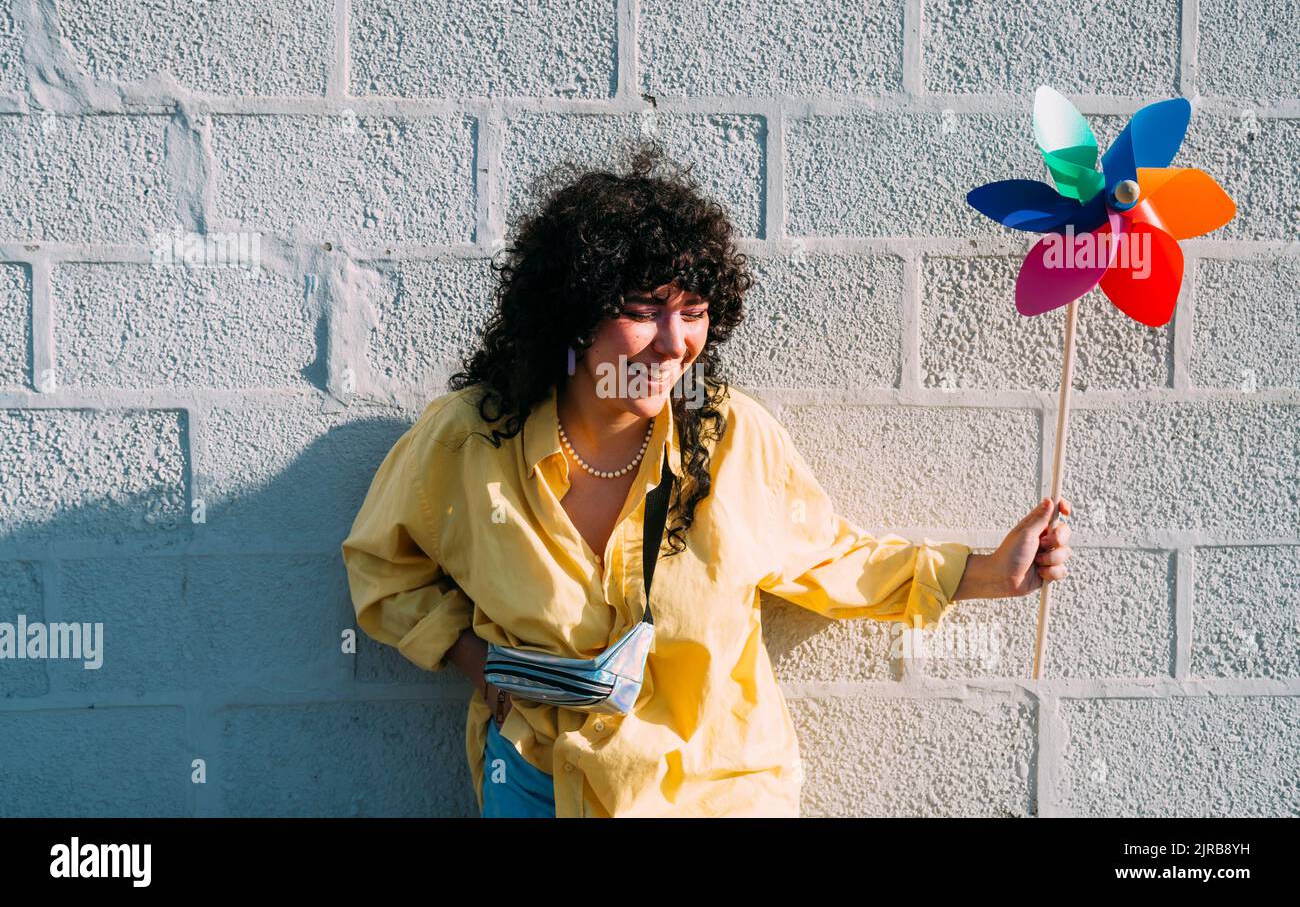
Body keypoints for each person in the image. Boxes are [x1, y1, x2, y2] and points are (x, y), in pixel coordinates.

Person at [340, 140, 1073, 818]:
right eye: (643, 311)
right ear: (571, 312)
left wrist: (985, 574)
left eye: (692, 312)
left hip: (715, 790)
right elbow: (384, 566)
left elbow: (830, 557)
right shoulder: (470, 439)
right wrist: (481, 668)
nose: (673, 342)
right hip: (543, 780)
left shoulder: (728, 438)